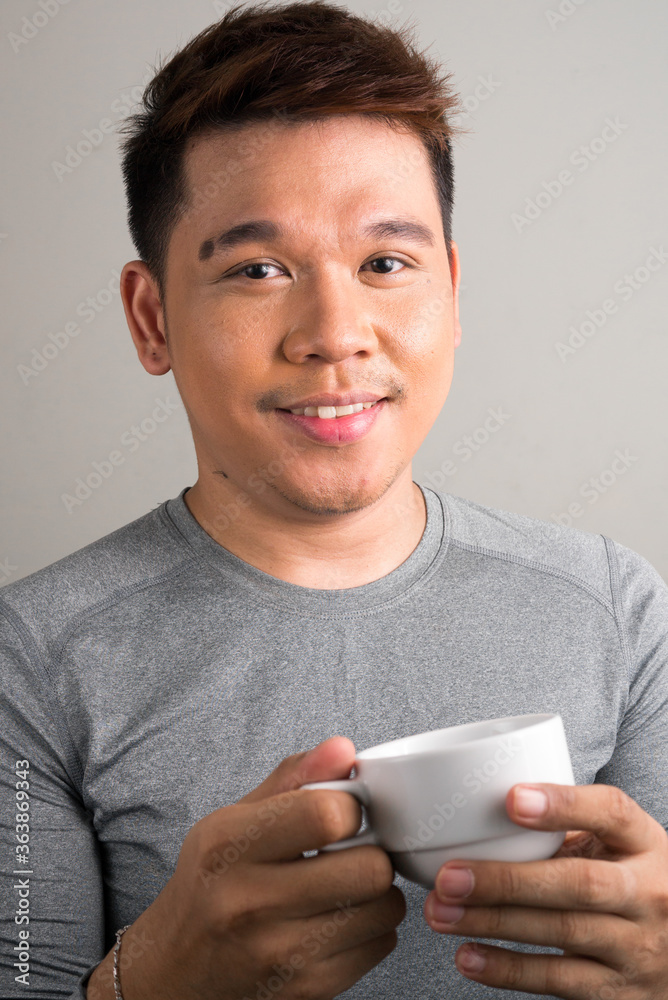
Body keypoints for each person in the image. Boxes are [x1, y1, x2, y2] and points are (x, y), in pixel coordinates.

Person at [2, 2, 667, 997]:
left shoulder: (612, 605)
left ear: (449, 293)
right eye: (257, 268)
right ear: (152, 319)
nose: (333, 331)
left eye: (384, 263)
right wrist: (146, 982)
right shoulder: (33, 661)